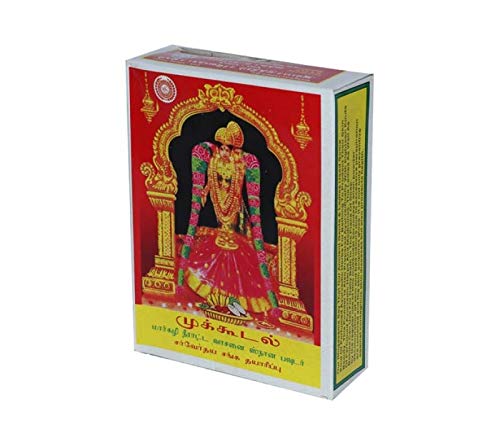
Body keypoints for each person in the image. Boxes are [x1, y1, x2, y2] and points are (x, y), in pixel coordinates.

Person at [177, 121, 279, 317]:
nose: (224, 151)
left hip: (234, 208)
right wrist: (206, 190)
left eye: (228, 148)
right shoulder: (215, 160)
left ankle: (234, 296)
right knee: (219, 240)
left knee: (232, 242)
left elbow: (239, 188)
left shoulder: (240, 164)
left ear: (234, 150)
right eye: (221, 147)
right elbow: (211, 178)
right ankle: (214, 291)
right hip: (219, 202)